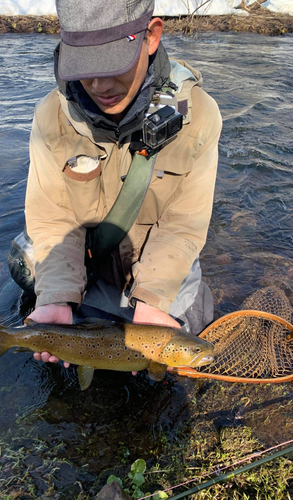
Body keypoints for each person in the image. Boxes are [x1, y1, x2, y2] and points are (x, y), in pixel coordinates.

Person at [17, 0, 222, 369]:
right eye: (83, 67)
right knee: (25, 272)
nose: (99, 85)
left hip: (155, 257)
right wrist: (57, 297)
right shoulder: (51, 116)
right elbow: (53, 220)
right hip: (88, 257)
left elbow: (181, 226)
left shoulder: (198, 117)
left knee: (192, 330)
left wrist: (153, 300)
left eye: (113, 64)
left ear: (151, 37)